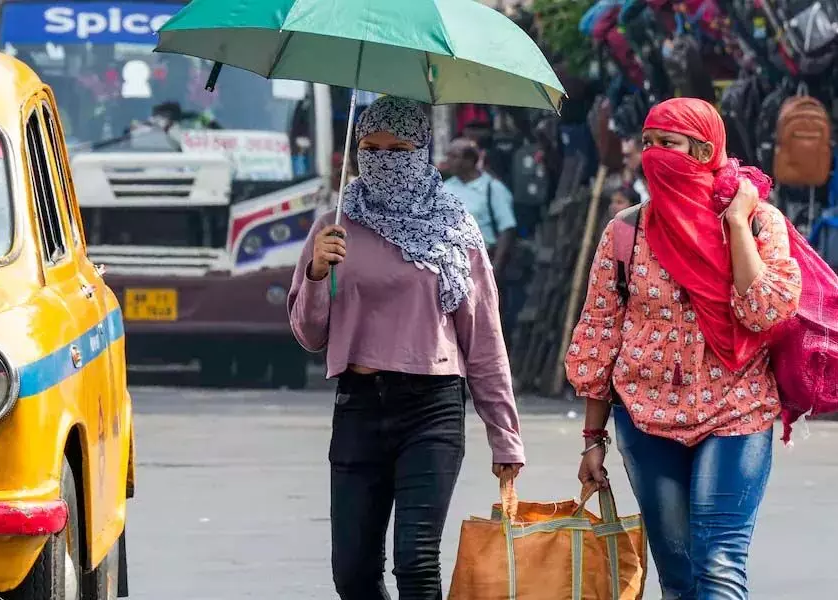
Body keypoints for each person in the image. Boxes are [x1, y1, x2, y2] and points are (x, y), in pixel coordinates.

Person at [288, 96, 525, 600]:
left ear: (423, 151)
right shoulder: (334, 224)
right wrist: (316, 273)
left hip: (431, 409)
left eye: (398, 149)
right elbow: (309, 335)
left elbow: (483, 339)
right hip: (358, 404)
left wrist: (504, 435)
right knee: (352, 573)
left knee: (416, 564)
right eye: (370, 148)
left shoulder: (454, 229)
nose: (383, 160)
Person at [566, 98, 801, 599]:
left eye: (667, 144)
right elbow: (600, 336)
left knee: (718, 566)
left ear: (704, 150)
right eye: (647, 144)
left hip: (735, 410)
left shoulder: (761, 224)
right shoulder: (625, 231)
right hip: (646, 418)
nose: (654, 156)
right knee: (677, 576)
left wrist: (736, 223)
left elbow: (764, 310)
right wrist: (592, 436)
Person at [444, 137, 521, 338]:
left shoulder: (492, 188)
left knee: (484, 321)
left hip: (481, 261)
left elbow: (507, 229)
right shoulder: (445, 188)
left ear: (470, 160)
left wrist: (495, 267)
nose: (448, 161)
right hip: (449, 263)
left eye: (454, 156)